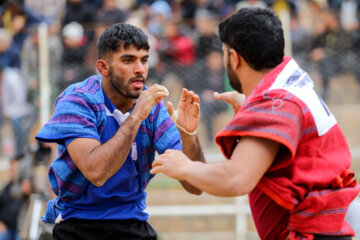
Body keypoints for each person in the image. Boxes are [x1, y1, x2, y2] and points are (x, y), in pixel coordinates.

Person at [150, 7, 360, 240]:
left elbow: (235, 178)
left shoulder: (275, 105)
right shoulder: (293, 86)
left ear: (234, 58)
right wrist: (192, 133)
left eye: (223, 53)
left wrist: (183, 167)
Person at [35, 23, 204, 240]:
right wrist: (135, 117)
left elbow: (195, 186)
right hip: (79, 225)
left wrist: (188, 134)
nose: (140, 69)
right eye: (128, 60)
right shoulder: (77, 100)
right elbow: (96, 172)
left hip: (133, 223)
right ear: (103, 67)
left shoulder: (152, 106)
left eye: (144, 60)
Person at [0, 153, 33, 240]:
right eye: (11, 166)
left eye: (15, 166)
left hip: (21, 227)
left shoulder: (29, 184)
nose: (12, 169)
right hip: (6, 227)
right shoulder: (7, 187)